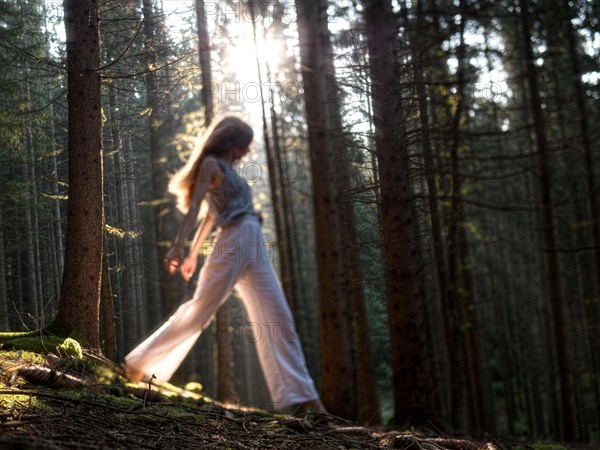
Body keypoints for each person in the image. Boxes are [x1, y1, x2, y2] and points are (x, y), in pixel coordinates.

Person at [123, 116, 326, 415]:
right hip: (233, 240)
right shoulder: (210, 164)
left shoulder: (229, 169)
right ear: (232, 142)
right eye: (245, 144)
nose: (247, 150)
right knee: (200, 309)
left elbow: (210, 216)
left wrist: (193, 253)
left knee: (277, 316)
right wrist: (180, 246)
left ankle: (306, 398)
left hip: (251, 240)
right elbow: (196, 208)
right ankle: (138, 364)